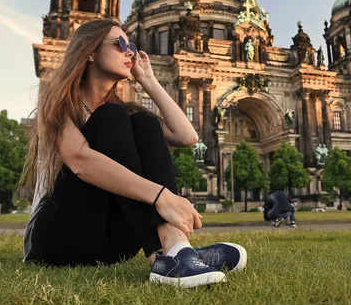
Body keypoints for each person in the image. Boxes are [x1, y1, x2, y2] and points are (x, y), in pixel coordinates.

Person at [21, 19, 246, 288]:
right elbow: (80, 161)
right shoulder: (57, 99)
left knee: (145, 120)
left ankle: (175, 250)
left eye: (132, 45)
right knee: (112, 116)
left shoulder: (126, 110)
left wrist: (148, 80)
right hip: (57, 239)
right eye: (121, 44)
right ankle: (169, 256)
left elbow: (187, 136)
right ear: (90, 52)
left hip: (115, 245)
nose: (130, 51)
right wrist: (162, 197)